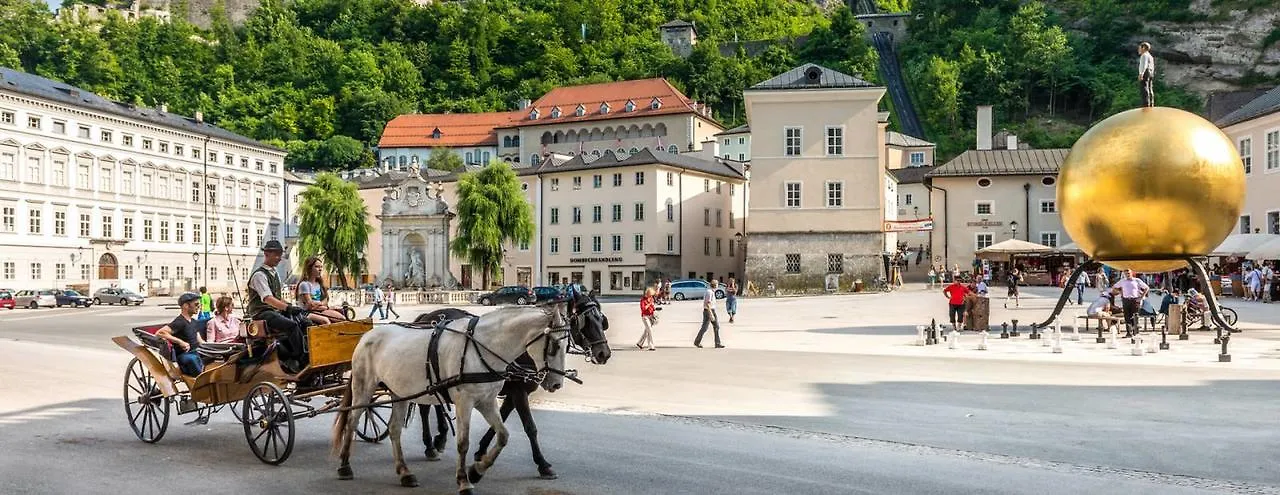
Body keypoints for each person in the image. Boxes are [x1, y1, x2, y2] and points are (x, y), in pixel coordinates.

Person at [246, 240, 308, 373]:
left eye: (280, 254)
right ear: (266, 254)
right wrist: (287, 308)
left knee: (304, 321)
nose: (279, 258)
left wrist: (291, 306)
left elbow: (277, 297)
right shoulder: (259, 275)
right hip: (262, 313)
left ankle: (308, 350)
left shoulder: (274, 273)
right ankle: (298, 359)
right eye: (276, 254)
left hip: (274, 311)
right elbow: (268, 298)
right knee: (291, 325)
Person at [156, 292, 205, 376]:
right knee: (192, 359)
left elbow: (200, 341)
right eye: (196, 304)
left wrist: (215, 347)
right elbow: (160, 333)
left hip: (196, 352)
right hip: (185, 355)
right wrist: (180, 342)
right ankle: (201, 383)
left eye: (199, 304)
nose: (198, 307)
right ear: (186, 305)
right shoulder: (180, 322)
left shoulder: (193, 322)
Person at [296, 255, 347, 325]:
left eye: (321, 267)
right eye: (317, 267)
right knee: (325, 320)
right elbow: (310, 306)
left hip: (320, 310)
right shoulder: (304, 284)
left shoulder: (319, 284)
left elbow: (325, 300)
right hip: (307, 313)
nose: (320, 269)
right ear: (309, 268)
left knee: (342, 318)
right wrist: (325, 306)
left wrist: (320, 304)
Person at [1112, 269, 1150, 337]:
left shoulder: (1137, 280)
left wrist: (1141, 297)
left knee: (1135, 316)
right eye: (1126, 273)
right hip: (1126, 300)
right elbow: (1114, 287)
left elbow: (1146, 288)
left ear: (1132, 273)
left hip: (1135, 300)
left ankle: (1136, 332)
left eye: (1129, 273)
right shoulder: (1122, 281)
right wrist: (1120, 292)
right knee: (1127, 317)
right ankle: (1129, 333)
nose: (1127, 275)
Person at [694, 280, 724, 349]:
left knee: (714, 327)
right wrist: (711, 314)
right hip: (708, 311)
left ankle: (717, 343)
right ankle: (697, 342)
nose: (717, 286)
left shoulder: (711, 292)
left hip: (711, 310)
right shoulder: (709, 292)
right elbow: (707, 303)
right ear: (715, 285)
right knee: (707, 327)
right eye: (717, 284)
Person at [1137, 41, 1155, 108]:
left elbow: (1144, 65)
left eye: (1139, 48)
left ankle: (1146, 104)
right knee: (1150, 88)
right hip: (1150, 73)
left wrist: (1141, 74)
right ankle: (1151, 104)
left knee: (1144, 88)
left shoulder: (1144, 55)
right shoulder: (1150, 56)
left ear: (1143, 48)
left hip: (1146, 72)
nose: (1138, 50)